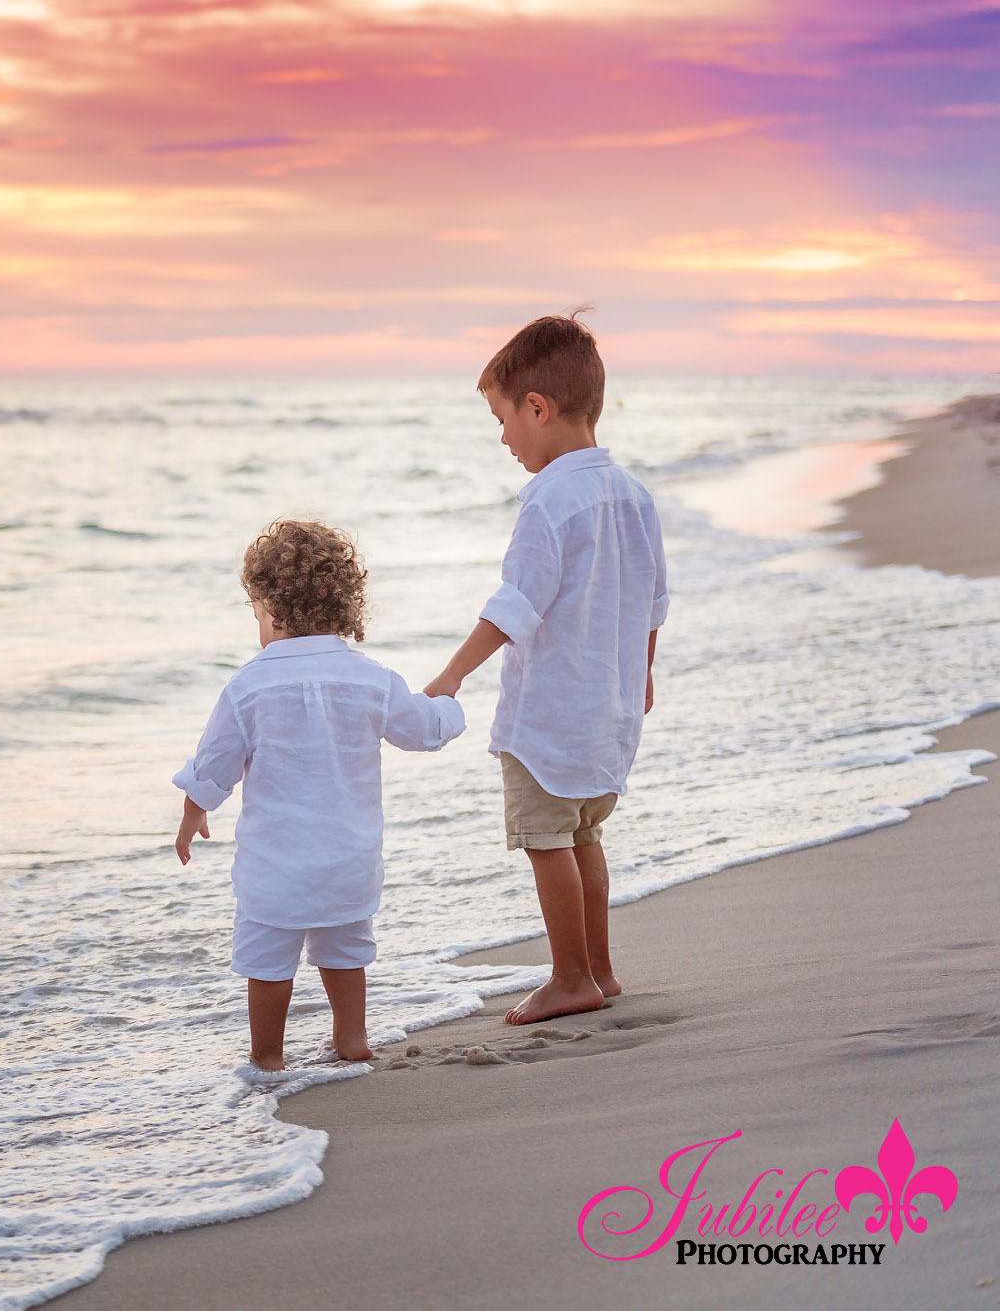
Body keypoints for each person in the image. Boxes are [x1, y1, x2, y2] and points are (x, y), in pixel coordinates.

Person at [423, 312, 667, 1026]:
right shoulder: (633, 494)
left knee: (546, 838)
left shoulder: (549, 501)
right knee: (585, 833)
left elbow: (515, 605)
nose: (503, 438)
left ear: (539, 407)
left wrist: (451, 674)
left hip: (551, 717)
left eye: (503, 420)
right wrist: (641, 676)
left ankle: (568, 976)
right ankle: (600, 967)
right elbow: (652, 602)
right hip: (610, 710)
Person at [174, 519, 464, 1074]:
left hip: (274, 867)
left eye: (256, 610)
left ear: (272, 610)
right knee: (345, 949)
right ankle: (351, 1040)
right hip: (347, 861)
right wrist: (449, 706)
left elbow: (215, 764)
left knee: (268, 959)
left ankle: (267, 1058)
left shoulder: (247, 686)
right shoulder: (370, 678)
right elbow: (423, 730)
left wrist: (193, 814)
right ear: (342, 606)